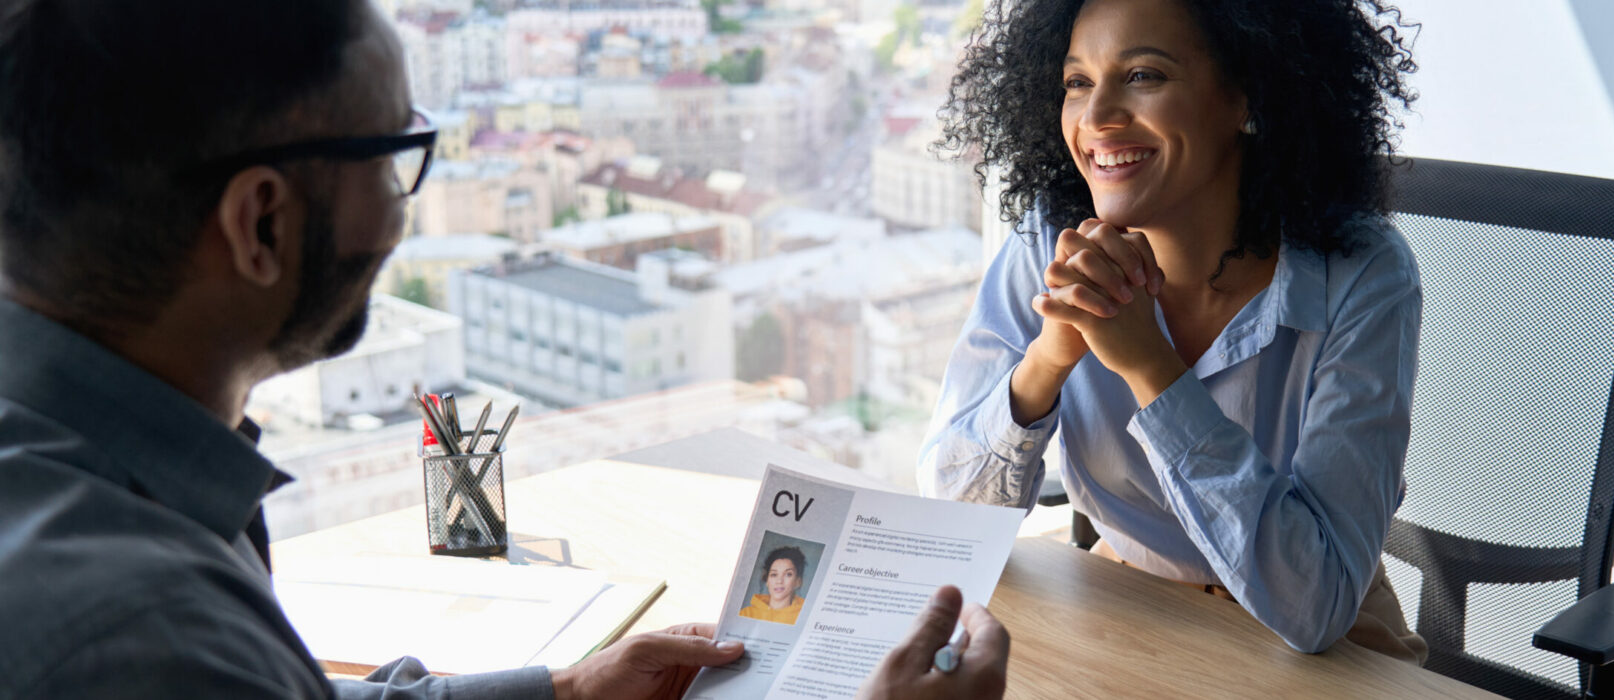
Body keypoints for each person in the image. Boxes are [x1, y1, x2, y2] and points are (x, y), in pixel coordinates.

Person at [0, 0, 1007, 697]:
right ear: (261, 224)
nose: (402, 212)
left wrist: (564, 692)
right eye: (394, 157)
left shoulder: (89, 478)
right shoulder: (133, 629)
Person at [922, 0, 1430, 663]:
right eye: (1077, 81)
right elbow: (952, 519)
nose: (1097, 116)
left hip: (1322, 651)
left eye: (1143, 76)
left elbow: (1317, 607)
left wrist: (1150, 368)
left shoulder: (1361, 276)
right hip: (1130, 611)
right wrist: (1049, 358)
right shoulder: (1050, 240)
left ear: (1245, 90)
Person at [738, 547, 809, 624]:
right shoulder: (746, 614)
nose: (779, 581)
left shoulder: (804, 618)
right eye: (774, 574)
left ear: (798, 581)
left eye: (788, 574)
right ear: (767, 580)